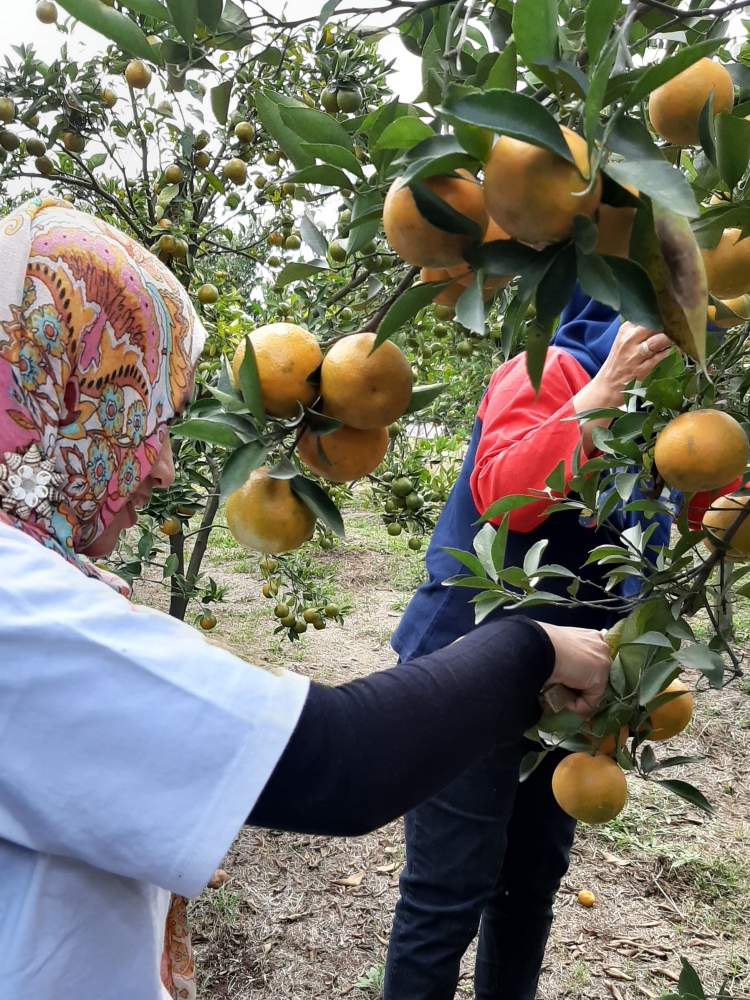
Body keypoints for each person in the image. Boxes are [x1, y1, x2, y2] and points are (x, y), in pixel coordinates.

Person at [0, 199, 612, 1000]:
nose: (158, 470)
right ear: (52, 388)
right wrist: (534, 645)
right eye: (132, 412)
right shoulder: (21, 615)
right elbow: (342, 764)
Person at [384, 287, 677, 1000]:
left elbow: (697, 509)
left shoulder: (667, 424)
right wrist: (600, 395)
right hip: (470, 672)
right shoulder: (546, 370)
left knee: (528, 888)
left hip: (572, 698)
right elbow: (501, 485)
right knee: (447, 891)